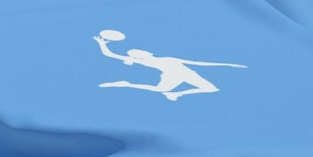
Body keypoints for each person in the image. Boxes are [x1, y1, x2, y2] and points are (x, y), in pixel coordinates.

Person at [93, 30, 246, 102]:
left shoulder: (156, 59)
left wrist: (227, 63)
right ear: (143, 54)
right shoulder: (153, 60)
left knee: (211, 88)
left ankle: (176, 94)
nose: (145, 51)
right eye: (141, 52)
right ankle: (126, 84)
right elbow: (111, 55)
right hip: (174, 75)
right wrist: (102, 44)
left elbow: (199, 63)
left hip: (187, 73)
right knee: (162, 89)